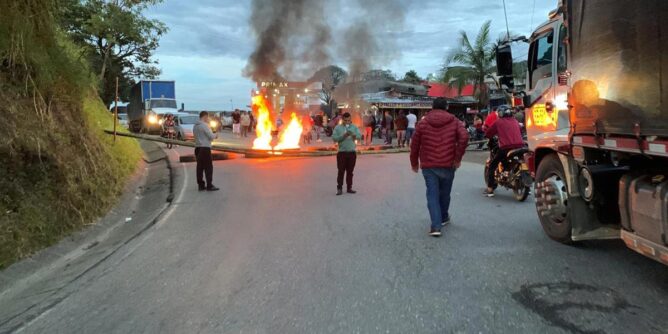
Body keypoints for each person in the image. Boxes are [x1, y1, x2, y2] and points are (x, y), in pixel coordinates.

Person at [410, 98, 468, 237]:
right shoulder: (454, 121)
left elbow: (415, 143)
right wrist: (457, 157)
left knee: (432, 194)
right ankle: (443, 217)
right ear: (446, 107)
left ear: (432, 107)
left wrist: (414, 162)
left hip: (429, 165)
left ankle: (436, 226)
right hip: (448, 163)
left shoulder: (423, 122)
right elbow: (464, 137)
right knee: (445, 193)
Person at [483, 106, 525, 197]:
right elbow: (520, 129)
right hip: (520, 146)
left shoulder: (498, 122)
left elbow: (488, 133)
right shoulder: (515, 121)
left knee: (492, 166)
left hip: (506, 148)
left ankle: (490, 189)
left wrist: (487, 135)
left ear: (500, 113)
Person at [332, 112, 362, 196]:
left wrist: (354, 135)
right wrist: (344, 136)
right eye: (345, 120)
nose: (347, 122)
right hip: (342, 153)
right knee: (341, 171)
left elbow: (360, 136)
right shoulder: (338, 128)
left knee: (350, 172)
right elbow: (334, 138)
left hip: (352, 152)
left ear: (350, 119)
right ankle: (339, 188)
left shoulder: (354, 127)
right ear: (342, 120)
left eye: (349, 120)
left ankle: (349, 188)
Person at [194, 111, 219, 191]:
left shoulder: (195, 126)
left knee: (200, 168)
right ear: (205, 116)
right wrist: (216, 135)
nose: (208, 119)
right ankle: (209, 185)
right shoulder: (204, 125)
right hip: (205, 148)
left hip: (197, 148)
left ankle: (200, 185)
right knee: (208, 167)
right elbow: (211, 136)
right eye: (207, 117)